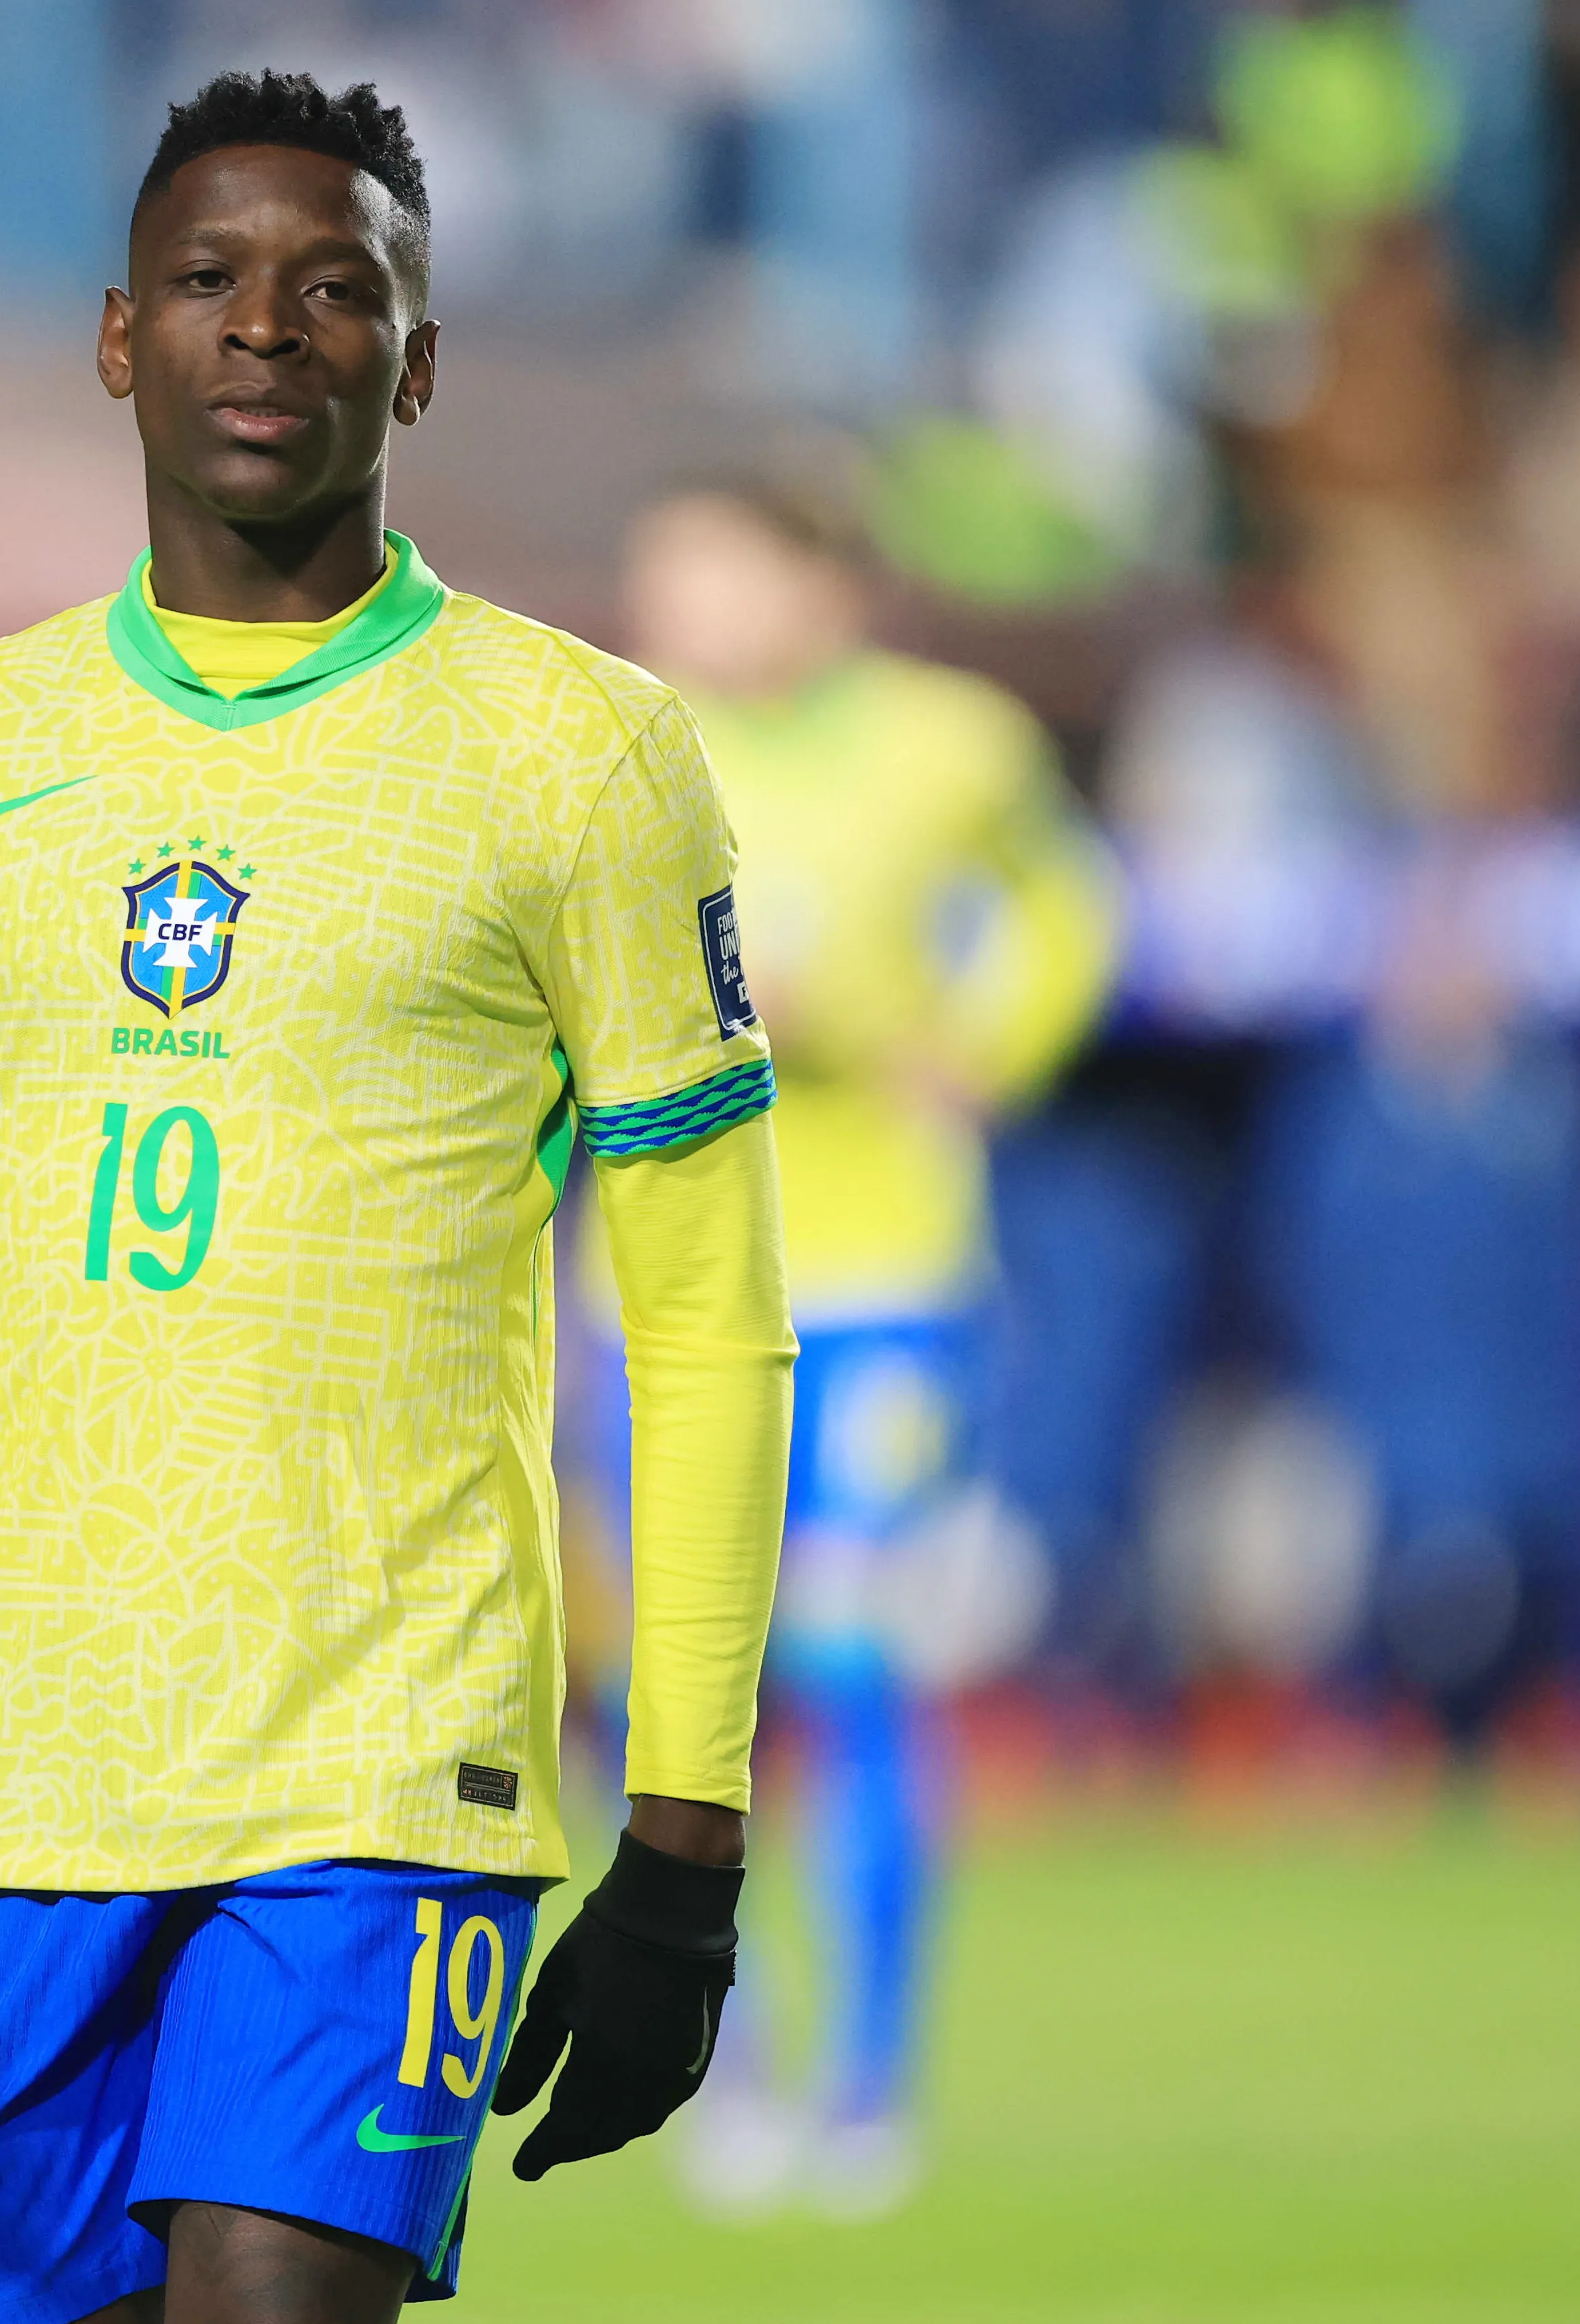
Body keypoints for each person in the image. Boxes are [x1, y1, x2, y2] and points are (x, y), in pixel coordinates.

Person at [0, 72, 794, 2324]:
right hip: (21, 1767)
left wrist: (683, 1838)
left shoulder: (573, 751)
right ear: (117, 338)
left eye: (335, 292)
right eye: (207, 283)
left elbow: (706, 1319)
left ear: (414, 364)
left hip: (384, 1766)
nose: (264, 333)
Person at [615, 471, 1120, 2216]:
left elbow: (1069, 906)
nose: (675, 605)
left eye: (711, 569)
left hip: (883, 1273)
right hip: (663, 1293)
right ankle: (718, 2069)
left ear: (821, 583)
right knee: (683, 1702)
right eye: (661, 574)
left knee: (847, 1663)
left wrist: (979, 1042)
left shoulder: (949, 744)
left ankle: (870, 2087)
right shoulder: (613, 742)